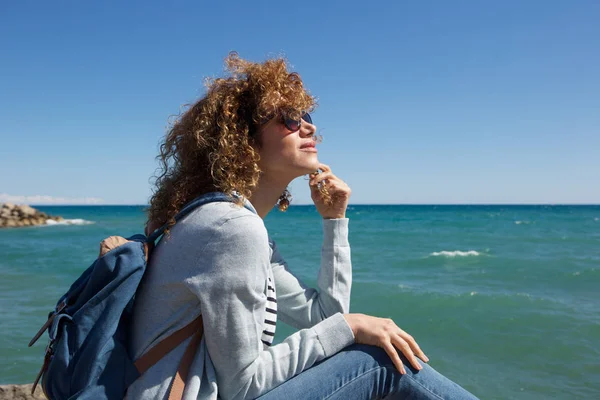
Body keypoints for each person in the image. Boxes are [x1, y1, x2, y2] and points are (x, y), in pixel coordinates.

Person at [124, 52, 479, 400]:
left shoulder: (231, 226)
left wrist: (334, 222)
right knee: (377, 363)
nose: (308, 126)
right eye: (289, 119)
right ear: (242, 139)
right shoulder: (231, 228)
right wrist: (352, 328)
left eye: (305, 115)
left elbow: (324, 314)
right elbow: (242, 385)